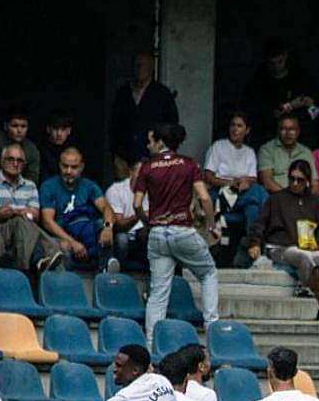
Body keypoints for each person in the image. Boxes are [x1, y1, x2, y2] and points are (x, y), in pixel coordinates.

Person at [133, 122, 219, 346]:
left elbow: (136, 203)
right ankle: (213, 332)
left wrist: (148, 222)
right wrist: (211, 226)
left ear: (160, 141)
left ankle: (152, 344)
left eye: (151, 140)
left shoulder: (148, 167)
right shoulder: (189, 164)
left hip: (158, 233)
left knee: (158, 294)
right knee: (208, 273)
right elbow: (205, 198)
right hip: (183, 230)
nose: (148, 143)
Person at [242, 159, 319, 318]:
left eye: (300, 180)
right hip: (281, 247)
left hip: (311, 247)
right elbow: (260, 223)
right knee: (305, 258)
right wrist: (254, 243)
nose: (295, 183)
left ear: (308, 181)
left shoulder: (317, 203)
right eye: (292, 178)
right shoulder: (276, 199)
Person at [0, 144, 63, 274]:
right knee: (22, 222)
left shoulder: (30, 185)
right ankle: (39, 260)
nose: (15, 163)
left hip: (25, 231)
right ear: (2, 162)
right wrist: (20, 212)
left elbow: (35, 216)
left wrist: (11, 211)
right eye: (11, 159)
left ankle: (39, 263)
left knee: (24, 224)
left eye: (19, 160)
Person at [38, 147, 118, 272]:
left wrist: (108, 227)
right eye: (65, 166)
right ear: (59, 165)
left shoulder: (89, 185)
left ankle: (106, 272)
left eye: (74, 167)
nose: (68, 171)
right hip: (62, 234)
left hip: (85, 231)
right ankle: (68, 284)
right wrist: (72, 242)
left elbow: (106, 208)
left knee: (102, 226)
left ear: (81, 167)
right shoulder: (49, 186)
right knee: (62, 247)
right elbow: (47, 222)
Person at [109, 52, 178, 180]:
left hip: (152, 158)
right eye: (137, 65)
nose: (140, 68)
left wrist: (163, 154)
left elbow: (172, 125)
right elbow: (114, 123)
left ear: (151, 68)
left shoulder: (162, 94)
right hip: (124, 158)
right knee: (124, 195)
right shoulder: (123, 92)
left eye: (144, 65)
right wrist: (115, 150)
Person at [203, 110, 267, 235]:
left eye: (239, 126)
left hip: (241, 193)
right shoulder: (218, 146)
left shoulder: (249, 152)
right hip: (219, 193)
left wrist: (245, 182)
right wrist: (231, 183)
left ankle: (253, 244)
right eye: (232, 125)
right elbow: (208, 177)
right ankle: (274, 211)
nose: (235, 129)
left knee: (253, 207)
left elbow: (253, 178)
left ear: (247, 130)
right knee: (257, 194)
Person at [243, 37, 317, 138]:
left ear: (286, 56)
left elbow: (316, 116)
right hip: (271, 138)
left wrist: (311, 106)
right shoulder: (259, 84)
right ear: (266, 61)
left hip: (299, 139)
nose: (276, 67)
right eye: (272, 63)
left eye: (280, 61)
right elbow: (255, 115)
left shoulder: (299, 79)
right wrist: (277, 112)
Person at [256, 114, 318, 194]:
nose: (288, 133)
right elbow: (267, 182)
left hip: (303, 200)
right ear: (278, 131)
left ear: (298, 131)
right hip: (276, 199)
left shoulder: (306, 152)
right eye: (283, 129)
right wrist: (288, 199)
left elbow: (315, 184)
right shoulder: (266, 149)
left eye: (292, 129)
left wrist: (307, 199)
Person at [105, 158, 148, 270]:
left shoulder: (154, 191)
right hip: (124, 235)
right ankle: (119, 271)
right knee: (122, 239)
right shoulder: (116, 190)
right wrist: (139, 215)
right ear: (131, 173)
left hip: (143, 238)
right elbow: (119, 225)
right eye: (140, 176)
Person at [0, 108, 41, 184]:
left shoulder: (32, 150)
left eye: (23, 126)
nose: (19, 130)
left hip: (21, 190)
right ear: (6, 126)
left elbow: (32, 181)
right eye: (15, 126)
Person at [38, 110, 74, 183]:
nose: (59, 134)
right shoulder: (39, 151)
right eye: (55, 128)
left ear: (69, 130)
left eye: (63, 129)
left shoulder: (73, 153)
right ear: (48, 129)